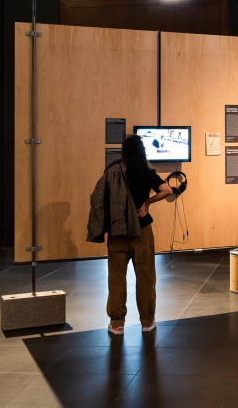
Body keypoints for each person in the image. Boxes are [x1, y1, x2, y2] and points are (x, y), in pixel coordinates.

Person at [87, 135, 173, 335]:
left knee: (116, 279)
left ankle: (117, 324)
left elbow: (98, 198)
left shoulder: (112, 172)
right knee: (146, 278)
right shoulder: (146, 173)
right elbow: (167, 190)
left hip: (118, 232)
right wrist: (147, 203)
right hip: (142, 231)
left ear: (123, 152)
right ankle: (147, 322)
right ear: (143, 151)